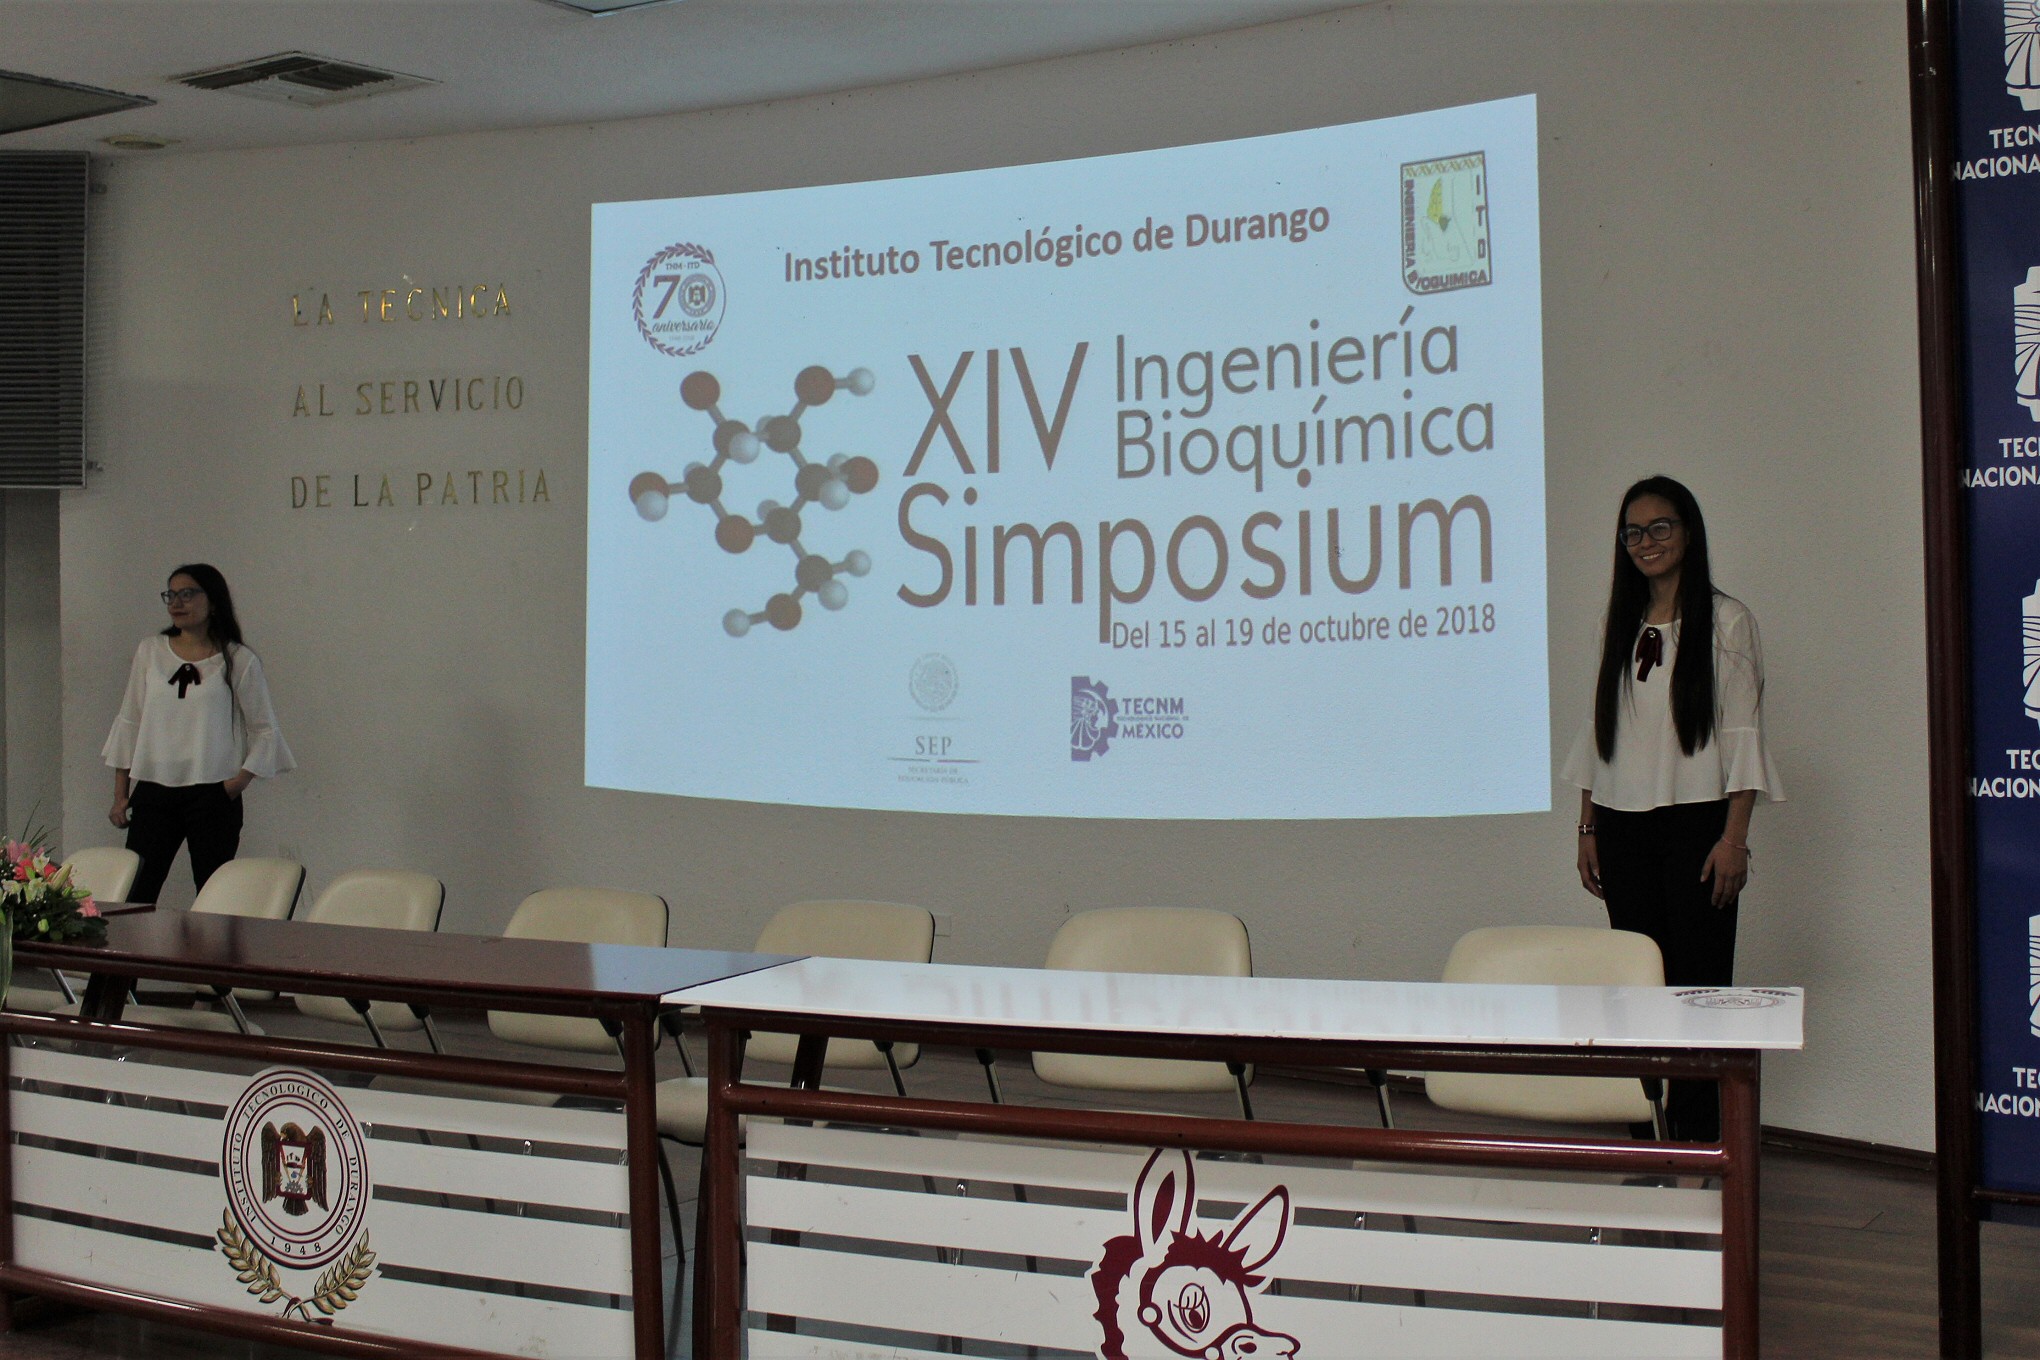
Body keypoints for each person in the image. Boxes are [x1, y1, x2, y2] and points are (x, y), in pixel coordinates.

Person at [1562, 476, 1783, 1142]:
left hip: (1698, 826)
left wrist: (1734, 838)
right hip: (1621, 825)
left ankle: (1701, 1143)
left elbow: (1742, 734)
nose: (1646, 542)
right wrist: (1588, 825)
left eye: (1660, 527)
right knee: (1639, 986)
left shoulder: (1727, 622)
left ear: (1688, 533)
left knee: (1698, 987)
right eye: (1633, 532)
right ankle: (1649, 1136)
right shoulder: (1616, 623)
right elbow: (1601, 731)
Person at [103, 564, 295, 905]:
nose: (177, 603)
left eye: (188, 594)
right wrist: (121, 794)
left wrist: (236, 784)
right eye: (171, 595)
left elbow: (264, 729)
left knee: (213, 896)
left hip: (213, 792)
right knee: (136, 893)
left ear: (213, 601)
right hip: (154, 790)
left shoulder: (238, 659)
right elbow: (130, 719)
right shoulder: (150, 651)